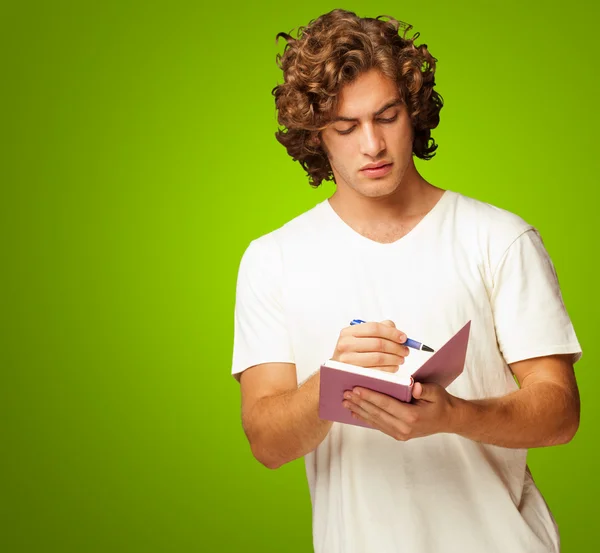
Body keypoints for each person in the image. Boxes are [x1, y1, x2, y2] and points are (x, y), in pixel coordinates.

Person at [231, 8, 582, 553]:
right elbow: (267, 441)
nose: (371, 145)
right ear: (316, 136)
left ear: (413, 111)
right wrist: (331, 385)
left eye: (386, 116)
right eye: (346, 128)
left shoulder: (499, 238)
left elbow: (560, 413)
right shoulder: (273, 259)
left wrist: (454, 416)